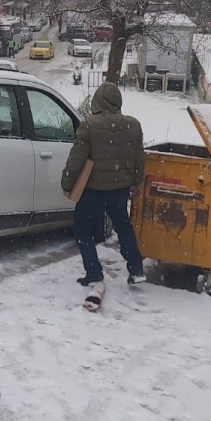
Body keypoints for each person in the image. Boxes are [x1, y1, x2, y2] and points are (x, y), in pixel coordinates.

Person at [61, 82, 146, 286]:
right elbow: (139, 159)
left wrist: (67, 183)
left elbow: (76, 159)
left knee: (83, 231)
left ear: (97, 101)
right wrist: (135, 182)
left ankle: (94, 272)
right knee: (123, 228)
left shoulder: (89, 126)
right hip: (119, 190)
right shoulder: (132, 126)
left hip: (93, 191)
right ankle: (136, 268)